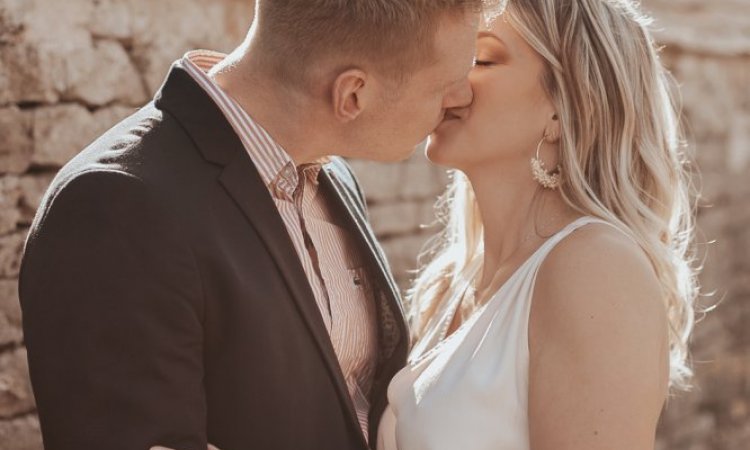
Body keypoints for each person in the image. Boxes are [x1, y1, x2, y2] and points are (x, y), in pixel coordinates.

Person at [18, 1, 489, 449]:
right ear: (353, 93)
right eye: (444, 85)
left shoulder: (330, 174)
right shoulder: (115, 205)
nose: (462, 96)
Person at [378, 0, 698, 449]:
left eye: (480, 59)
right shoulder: (450, 283)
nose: (447, 76)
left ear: (561, 107)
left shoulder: (596, 268)